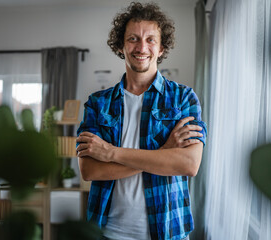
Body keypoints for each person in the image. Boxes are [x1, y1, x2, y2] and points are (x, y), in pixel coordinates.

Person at [76, 2, 207, 240]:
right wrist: (164, 152)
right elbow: (90, 169)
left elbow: (188, 164)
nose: (141, 47)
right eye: (133, 39)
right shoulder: (97, 103)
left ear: (161, 48)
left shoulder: (183, 98)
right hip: (108, 233)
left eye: (150, 40)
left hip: (169, 231)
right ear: (121, 46)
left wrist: (111, 153)